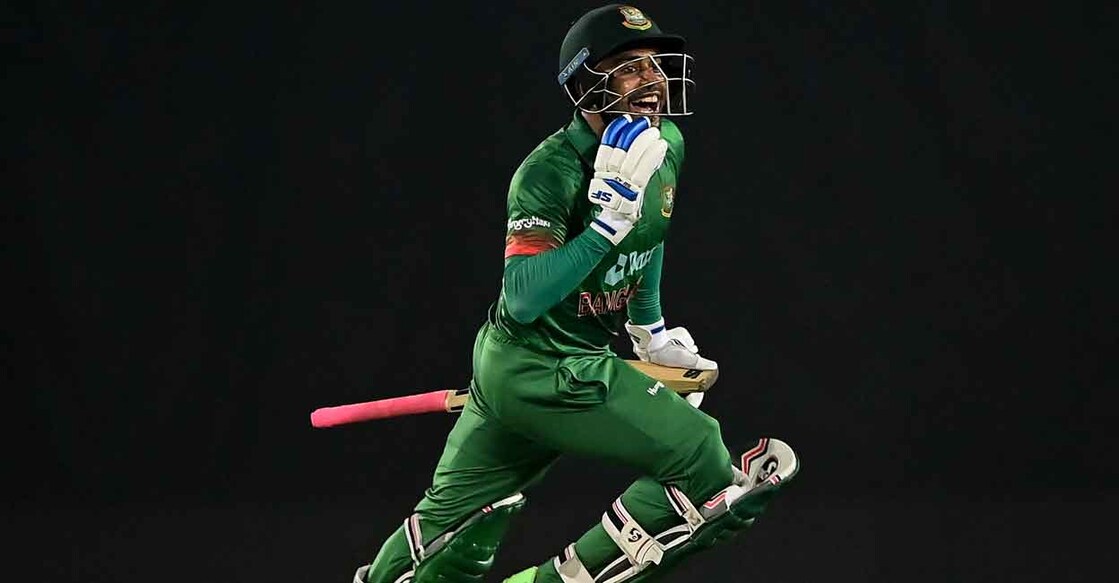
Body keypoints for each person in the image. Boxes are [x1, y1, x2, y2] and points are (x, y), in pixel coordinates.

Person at [352, 5, 799, 582]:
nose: (653, 79)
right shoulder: (549, 173)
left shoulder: (665, 143)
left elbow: (650, 237)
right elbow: (522, 297)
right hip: (542, 366)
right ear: (585, 81)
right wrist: (604, 226)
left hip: (554, 360)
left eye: (654, 65)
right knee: (701, 458)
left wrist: (649, 329)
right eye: (630, 67)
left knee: (449, 527)